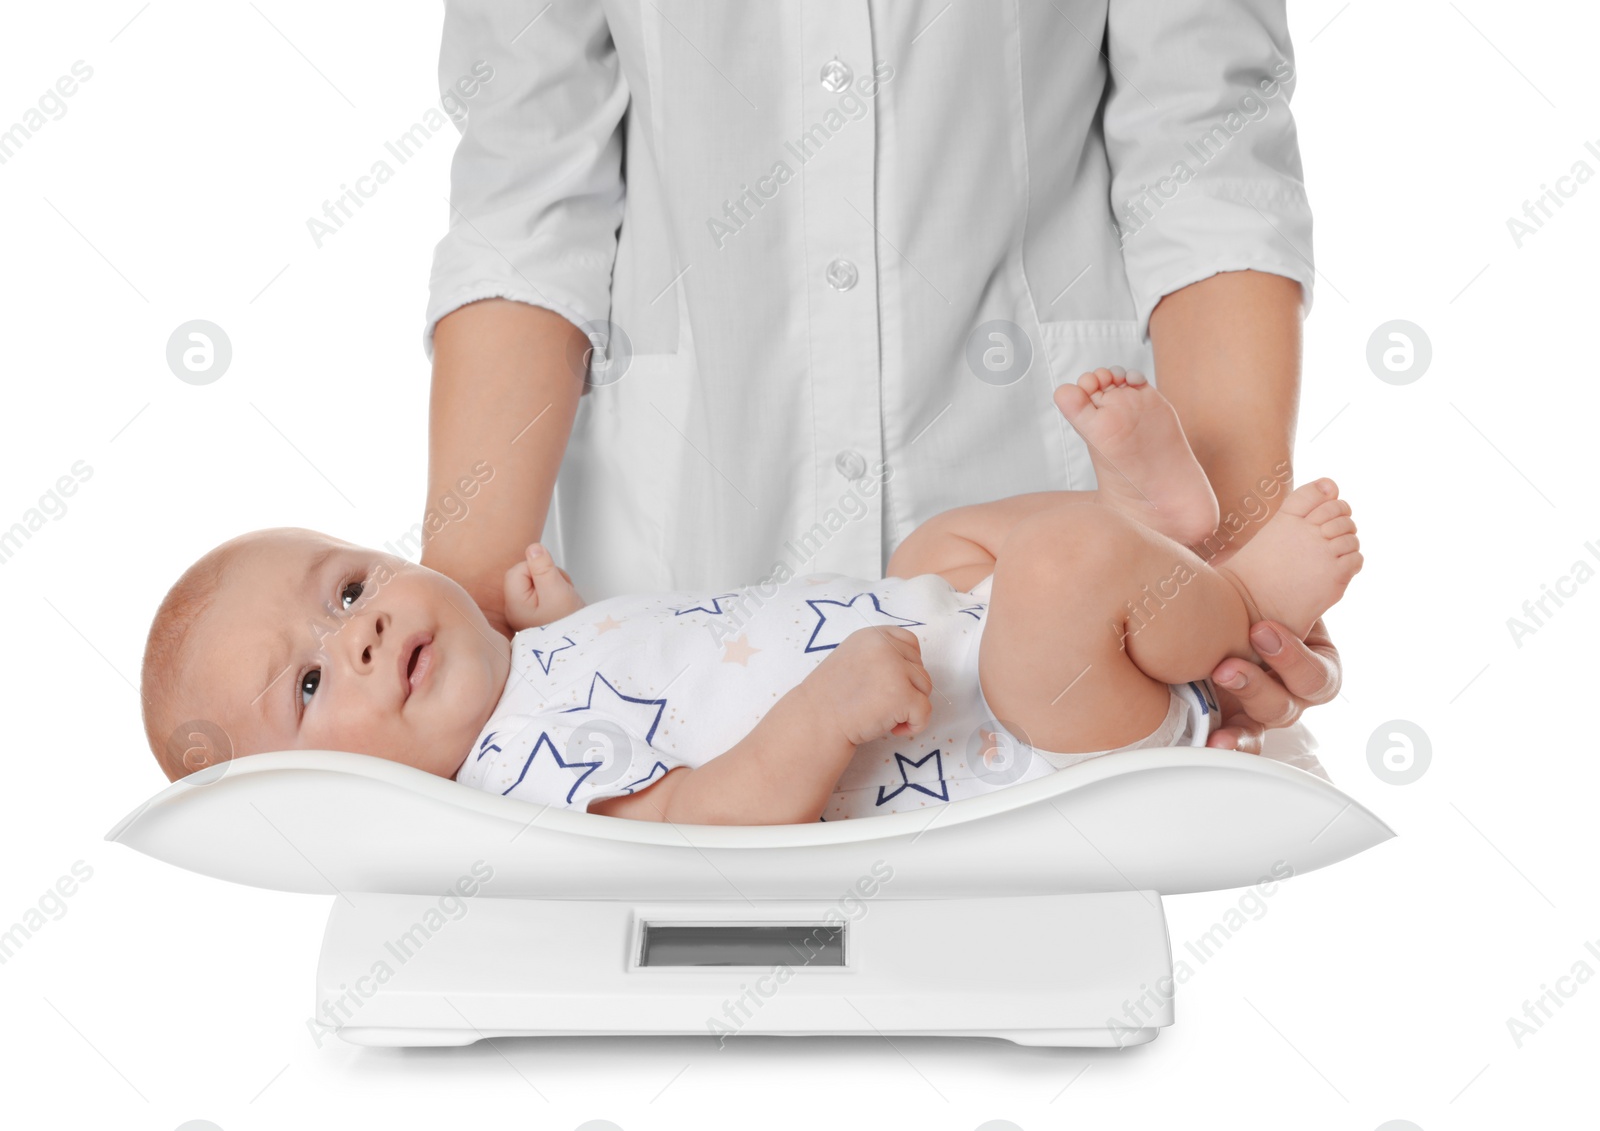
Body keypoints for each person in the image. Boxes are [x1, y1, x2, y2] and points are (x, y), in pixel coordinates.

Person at [418, 0, 1337, 757]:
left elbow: (1205, 139)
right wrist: (456, 636)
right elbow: (530, 186)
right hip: (678, 573)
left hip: (1053, 594)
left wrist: (1239, 599)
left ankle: (1154, 530)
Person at [137, 371, 1361, 825]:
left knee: (951, 539)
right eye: (307, 681)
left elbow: (661, 677)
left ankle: (1166, 539)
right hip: (1026, 730)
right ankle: (1238, 596)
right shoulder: (519, 807)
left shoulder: (527, 677)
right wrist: (817, 719)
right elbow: (698, 821)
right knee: (1064, 566)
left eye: (347, 587)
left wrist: (565, 622)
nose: (353, 635)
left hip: (940, 627)